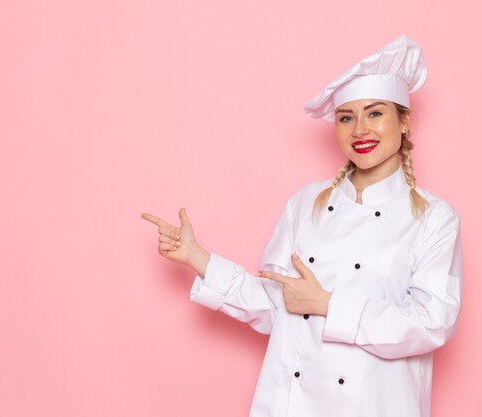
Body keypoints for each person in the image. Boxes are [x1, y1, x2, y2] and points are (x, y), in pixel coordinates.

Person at [142, 34, 462, 417]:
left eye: (375, 113)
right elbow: (275, 305)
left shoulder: (435, 218)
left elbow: (430, 324)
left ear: (405, 121)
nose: (360, 129)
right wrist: (198, 257)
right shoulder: (305, 203)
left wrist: (328, 305)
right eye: (347, 117)